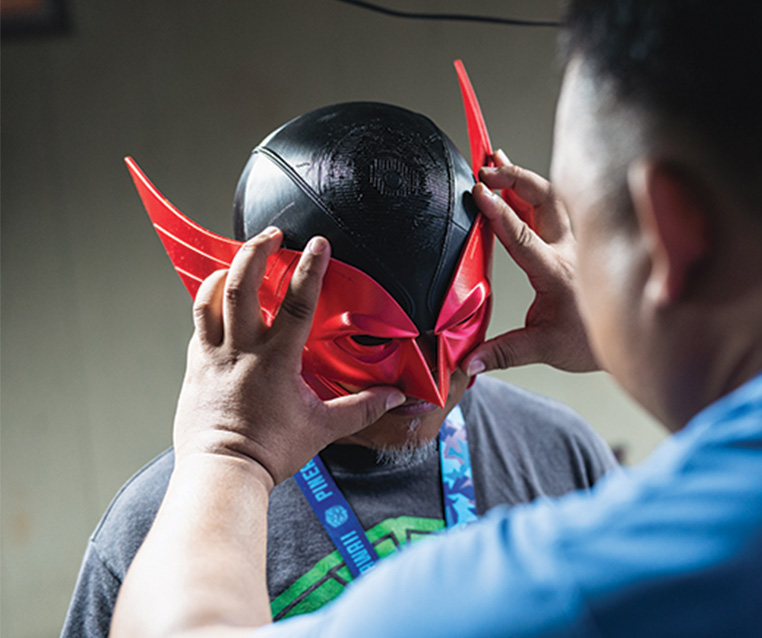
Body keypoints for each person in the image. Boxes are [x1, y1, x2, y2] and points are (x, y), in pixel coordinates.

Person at [110, 0, 762, 636]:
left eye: (590, 226)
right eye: (372, 339)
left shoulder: (579, 589)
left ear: (668, 233)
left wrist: (227, 451)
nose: (425, 379)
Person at [61, 102, 617, 638]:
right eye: (370, 338)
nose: (427, 382)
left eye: (461, 318)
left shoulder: (559, 452)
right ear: (264, 312)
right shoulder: (156, 532)